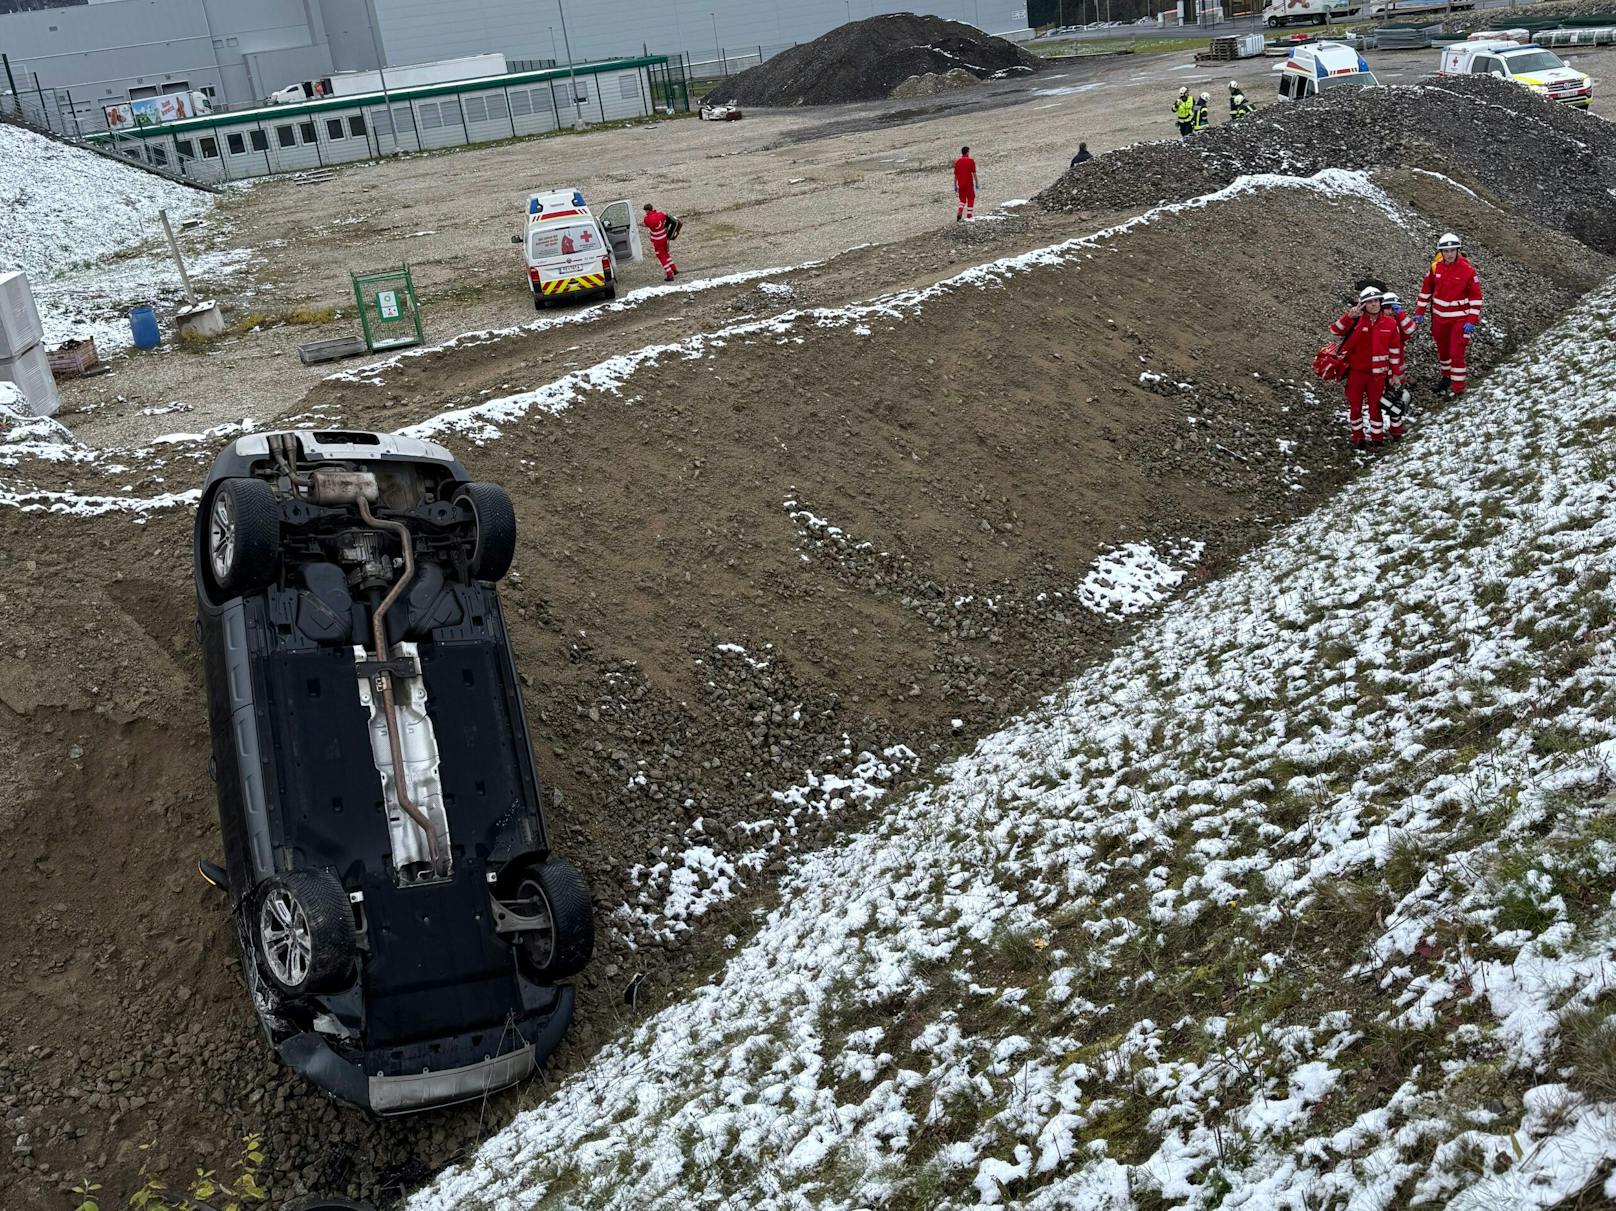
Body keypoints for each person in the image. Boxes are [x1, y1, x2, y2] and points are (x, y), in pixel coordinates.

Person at [1329, 285, 1403, 449]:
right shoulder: (1356, 320)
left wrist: (1395, 373)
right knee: (1355, 406)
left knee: (1375, 407)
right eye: (1369, 302)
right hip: (1357, 372)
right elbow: (1335, 331)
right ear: (1363, 304)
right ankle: (1358, 438)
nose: (1374, 304)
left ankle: (1377, 438)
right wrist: (1348, 316)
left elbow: (1395, 351)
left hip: (1378, 374)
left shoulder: (1390, 323)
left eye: (1376, 300)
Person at [1412, 232, 1483, 396]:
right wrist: (1419, 311)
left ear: (1458, 250)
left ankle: (1459, 390)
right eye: (1446, 251)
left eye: (1452, 250)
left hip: (1459, 319)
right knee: (1443, 352)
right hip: (1439, 319)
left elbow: (1476, 297)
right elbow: (1425, 290)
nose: (1449, 254)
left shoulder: (1468, 271)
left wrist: (1472, 320)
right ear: (1441, 252)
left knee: (1456, 354)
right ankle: (1446, 378)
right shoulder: (1435, 268)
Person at [1380, 291, 1416, 439]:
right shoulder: (1377, 324)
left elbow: (1410, 330)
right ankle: (1378, 433)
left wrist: (1400, 314)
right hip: (1380, 370)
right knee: (1380, 401)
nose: (1391, 312)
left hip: (1397, 370)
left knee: (1397, 401)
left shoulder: (1398, 324)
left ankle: (1396, 432)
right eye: (1388, 308)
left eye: (1393, 308)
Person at [642, 202, 678, 282]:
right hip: (664, 238)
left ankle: (669, 275)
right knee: (666, 253)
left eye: (645, 211)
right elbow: (666, 215)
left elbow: (646, 224)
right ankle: (674, 269)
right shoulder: (660, 214)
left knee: (661, 257)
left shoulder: (647, 219)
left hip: (657, 240)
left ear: (647, 211)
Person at [954, 145, 978, 221]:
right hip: (968, 183)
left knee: (962, 200)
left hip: (960, 183)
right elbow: (974, 173)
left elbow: (956, 175)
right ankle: (969, 216)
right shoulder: (971, 161)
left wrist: (955, 185)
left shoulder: (957, 162)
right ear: (967, 152)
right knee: (971, 198)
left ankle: (960, 211)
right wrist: (977, 183)